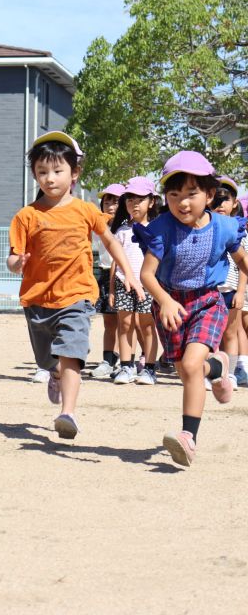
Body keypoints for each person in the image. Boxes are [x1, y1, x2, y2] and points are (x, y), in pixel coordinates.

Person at [7, 131, 144, 440]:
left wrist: (130, 275)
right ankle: (53, 372)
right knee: (48, 359)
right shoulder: (25, 216)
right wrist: (18, 264)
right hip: (38, 300)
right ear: (34, 174)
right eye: (42, 172)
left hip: (77, 296)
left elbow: (110, 241)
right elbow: (13, 259)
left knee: (72, 352)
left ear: (74, 173)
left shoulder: (85, 211)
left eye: (57, 171)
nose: (50, 178)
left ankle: (67, 413)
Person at [135, 151, 248, 467]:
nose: (182, 203)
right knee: (187, 370)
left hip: (207, 302)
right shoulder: (161, 228)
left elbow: (241, 261)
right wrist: (165, 301)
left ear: (209, 194)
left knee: (191, 361)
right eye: (174, 195)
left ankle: (188, 437)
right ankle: (218, 369)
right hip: (170, 303)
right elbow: (146, 274)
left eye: (191, 194)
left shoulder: (224, 228)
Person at [109, 177, 160, 385]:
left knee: (147, 325)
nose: (134, 203)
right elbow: (115, 262)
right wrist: (112, 288)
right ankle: (126, 366)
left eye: (140, 199)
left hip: (149, 284)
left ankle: (149, 368)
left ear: (152, 201)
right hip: (123, 283)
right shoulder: (121, 231)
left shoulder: (158, 229)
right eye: (130, 199)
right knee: (125, 324)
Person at [210, 176, 247, 391]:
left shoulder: (239, 231)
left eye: (226, 199)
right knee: (210, 334)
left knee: (231, 332)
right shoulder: (206, 228)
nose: (220, 204)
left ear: (235, 203)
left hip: (231, 290)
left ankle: (231, 374)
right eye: (216, 199)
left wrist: (241, 291)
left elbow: (244, 265)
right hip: (209, 291)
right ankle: (212, 373)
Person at [89, 183, 124, 378]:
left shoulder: (128, 227)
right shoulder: (100, 224)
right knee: (110, 322)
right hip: (104, 275)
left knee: (128, 323)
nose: (111, 205)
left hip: (125, 276)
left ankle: (127, 359)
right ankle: (108, 360)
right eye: (107, 201)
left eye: (116, 201)